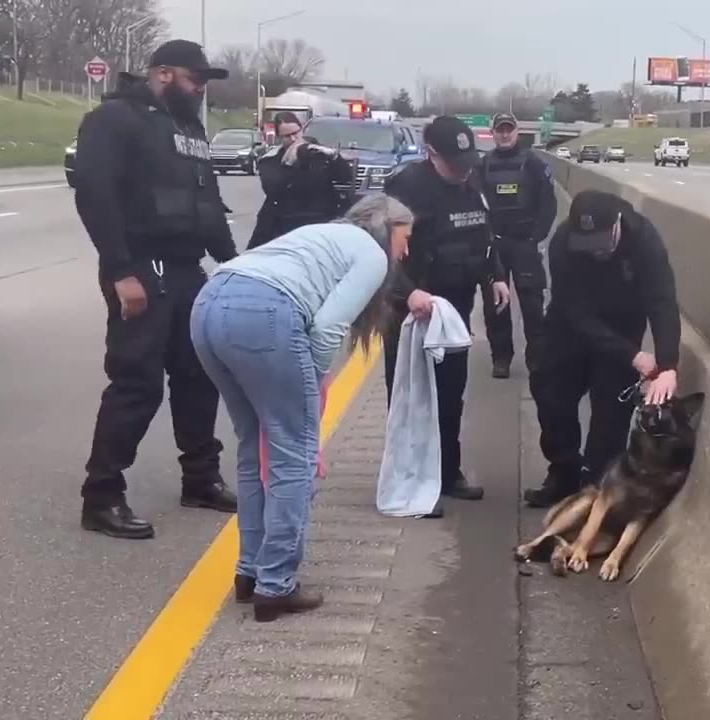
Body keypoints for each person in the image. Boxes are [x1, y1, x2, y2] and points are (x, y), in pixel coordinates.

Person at [190, 193, 410, 621]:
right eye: (407, 236)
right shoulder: (371, 254)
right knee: (294, 455)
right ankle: (275, 586)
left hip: (209, 304)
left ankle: (249, 573)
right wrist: (311, 385)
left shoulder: (321, 234)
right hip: (264, 313)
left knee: (254, 447)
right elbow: (328, 328)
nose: (407, 249)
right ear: (388, 228)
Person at [72, 40, 239, 539]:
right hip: (142, 267)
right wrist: (122, 272)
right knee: (136, 383)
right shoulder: (115, 120)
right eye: (196, 79)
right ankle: (101, 496)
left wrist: (235, 263)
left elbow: (207, 202)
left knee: (198, 377)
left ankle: (201, 478)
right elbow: (95, 196)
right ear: (163, 73)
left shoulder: (187, 126)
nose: (202, 89)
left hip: (188, 270)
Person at [523, 190, 682, 508]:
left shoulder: (644, 242)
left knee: (610, 415)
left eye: (601, 242)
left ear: (617, 225)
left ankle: (595, 488)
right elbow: (574, 311)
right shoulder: (562, 243)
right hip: (570, 329)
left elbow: (662, 302)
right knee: (552, 398)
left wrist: (667, 365)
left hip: (624, 326)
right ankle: (563, 473)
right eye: (588, 245)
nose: (596, 252)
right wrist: (633, 355)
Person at [381, 115, 511, 502]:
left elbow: (484, 235)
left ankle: (446, 473)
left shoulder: (473, 180)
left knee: (451, 394)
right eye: (452, 163)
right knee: (412, 397)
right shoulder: (406, 187)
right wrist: (407, 294)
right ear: (430, 153)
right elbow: (382, 253)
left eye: (465, 161)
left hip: (454, 308)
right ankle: (409, 481)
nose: (461, 170)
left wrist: (496, 275)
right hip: (413, 312)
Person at [476, 113, 557, 379]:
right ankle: (501, 357)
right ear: (493, 132)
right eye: (500, 130)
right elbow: (475, 206)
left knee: (533, 306)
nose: (504, 134)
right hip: (494, 246)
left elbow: (548, 205)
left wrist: (536, 237)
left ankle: (537, 359)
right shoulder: (483, 165)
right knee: (496, 306)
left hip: (525, 244)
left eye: (509, 130)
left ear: (517, 131)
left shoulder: (534, 163)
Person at [248, 112, 357, 250]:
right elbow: (273, 189)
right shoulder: (271, 160)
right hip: (285, 222)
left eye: (296, 133)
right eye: (287, 136)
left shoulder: (317, 152)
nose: (293, 139)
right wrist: (290, 163)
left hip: (321, 219)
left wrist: (334, 157)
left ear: (302, 131)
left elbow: (345, 177)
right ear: (279, 138)